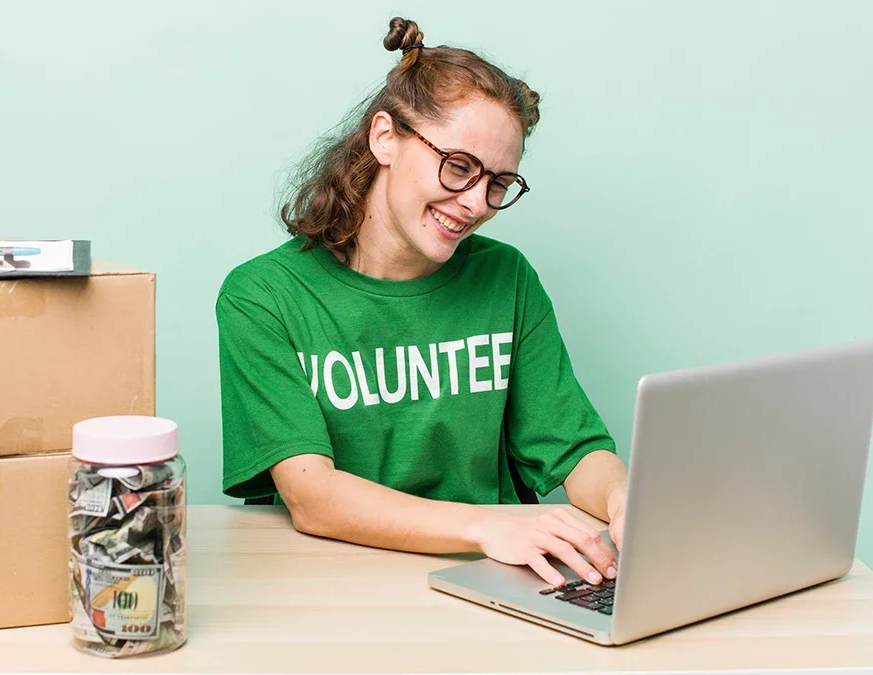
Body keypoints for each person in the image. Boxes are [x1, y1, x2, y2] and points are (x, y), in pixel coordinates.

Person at [215, 17, 628, 588]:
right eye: (458, 166)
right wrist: (485, 527)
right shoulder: (262, 297)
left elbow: (575, 451)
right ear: (384, 137)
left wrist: (624, 497)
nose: (475, 202)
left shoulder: (505, 278)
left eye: (499, 184)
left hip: (493, 576)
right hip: (331, 582)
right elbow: (312, 495)